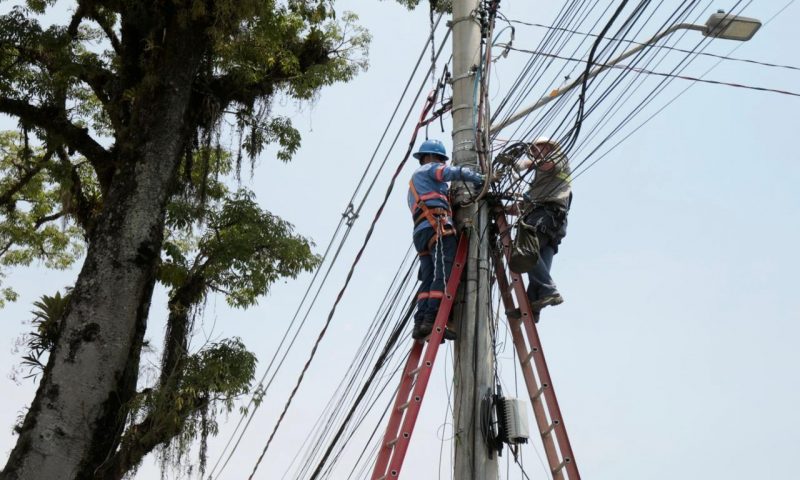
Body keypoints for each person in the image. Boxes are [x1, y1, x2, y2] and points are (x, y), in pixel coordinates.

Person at [408, 139, 484, 340]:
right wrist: (479, 179)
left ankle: (420, 323)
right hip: (438, 228)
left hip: (421, 234)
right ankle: (432, 319)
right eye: (440, 159)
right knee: (443, 272)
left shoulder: (413, 185)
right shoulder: (430, 169)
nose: (441, 163)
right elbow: (450, 172)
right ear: (433, 157)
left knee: (428, 277)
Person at [513, 137, 572, 311]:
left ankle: (549, 290)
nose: (533, 153)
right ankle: (534, 304)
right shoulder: (542, 181)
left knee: (527, 251)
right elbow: (531, 199)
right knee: (538, 262)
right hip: (552, 221)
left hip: (547, 215)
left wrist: (524, 164)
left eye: (536, 149)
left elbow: (547, 165)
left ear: (547, 147)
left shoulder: (558, 158)